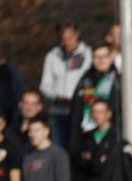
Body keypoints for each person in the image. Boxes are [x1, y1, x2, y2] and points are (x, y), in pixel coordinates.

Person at [39, 19, 92, 149]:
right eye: (63, 38)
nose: (66, 41)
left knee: (77, 148)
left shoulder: (87, 54)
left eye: (70, 37)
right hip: (58, 111)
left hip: (79, 110)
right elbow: (45, 85)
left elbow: (90, 82)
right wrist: (56, 95)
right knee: (59, 148)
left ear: (77, 35)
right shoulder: (52, 56)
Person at [68, 43, 120, 159]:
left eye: (104, 56)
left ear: (111, 57)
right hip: (87, 139)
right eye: (96, 57)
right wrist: (74, 146)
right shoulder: (85, 80)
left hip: (110, 140)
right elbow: (76, 113)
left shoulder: (118, 81)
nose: (100, 61)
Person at [76, 99, 132, 181]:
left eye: (100, 112)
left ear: (109, 114)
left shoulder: (118, 136)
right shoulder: (87, 137)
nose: (97, 115)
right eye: (94, 112)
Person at [21, 115, 71, 181]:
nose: (32, 134)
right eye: (30, 131)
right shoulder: (27, 154)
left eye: (37, 130)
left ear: (46, 131)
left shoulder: (59, 154)